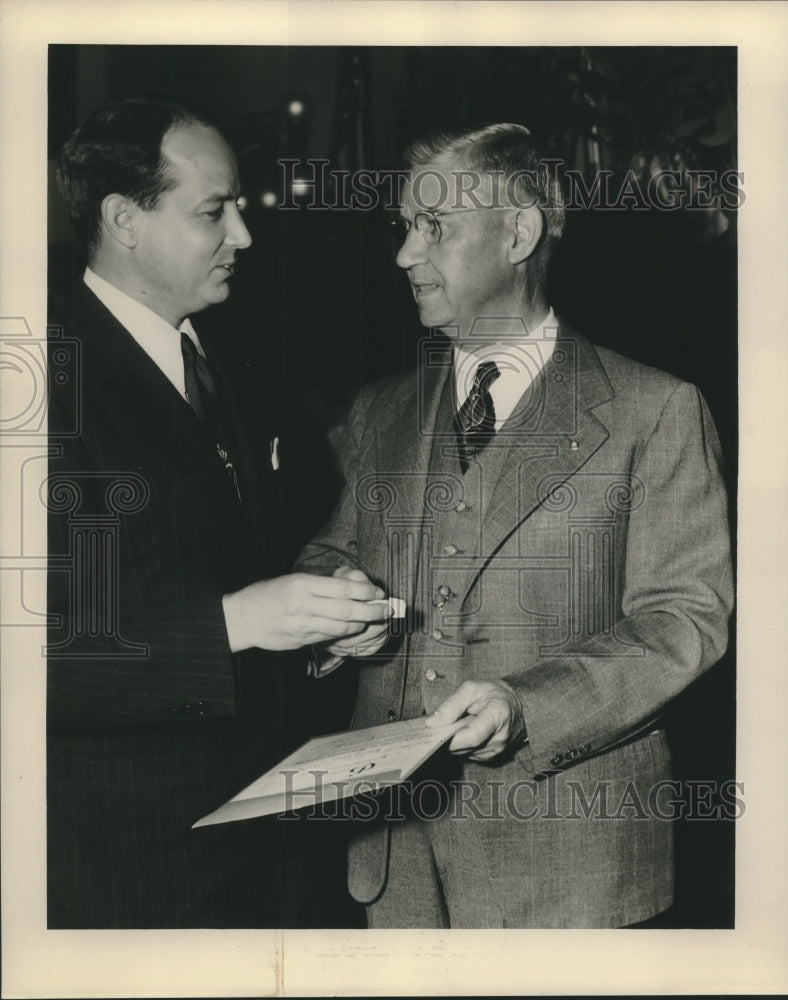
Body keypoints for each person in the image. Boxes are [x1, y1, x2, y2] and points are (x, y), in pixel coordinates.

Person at [297, 123, 734, 928]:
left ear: (519, 233)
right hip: (393, 864)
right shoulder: (379, 410)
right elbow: (336, 548)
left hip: (570, 870)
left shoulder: (653, 409)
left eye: (433, 228)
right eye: (402, 228)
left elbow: (685, 620)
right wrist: (335, 605)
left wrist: (529, 705)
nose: (402, 255)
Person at [47, 98, 390, 928]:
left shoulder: (213, 354)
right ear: (124, 220)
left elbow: (225, 563)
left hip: (255, 843)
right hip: (130, 866)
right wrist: (238, 622)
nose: (244, 235)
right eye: (213, 212)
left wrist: (319, 620)